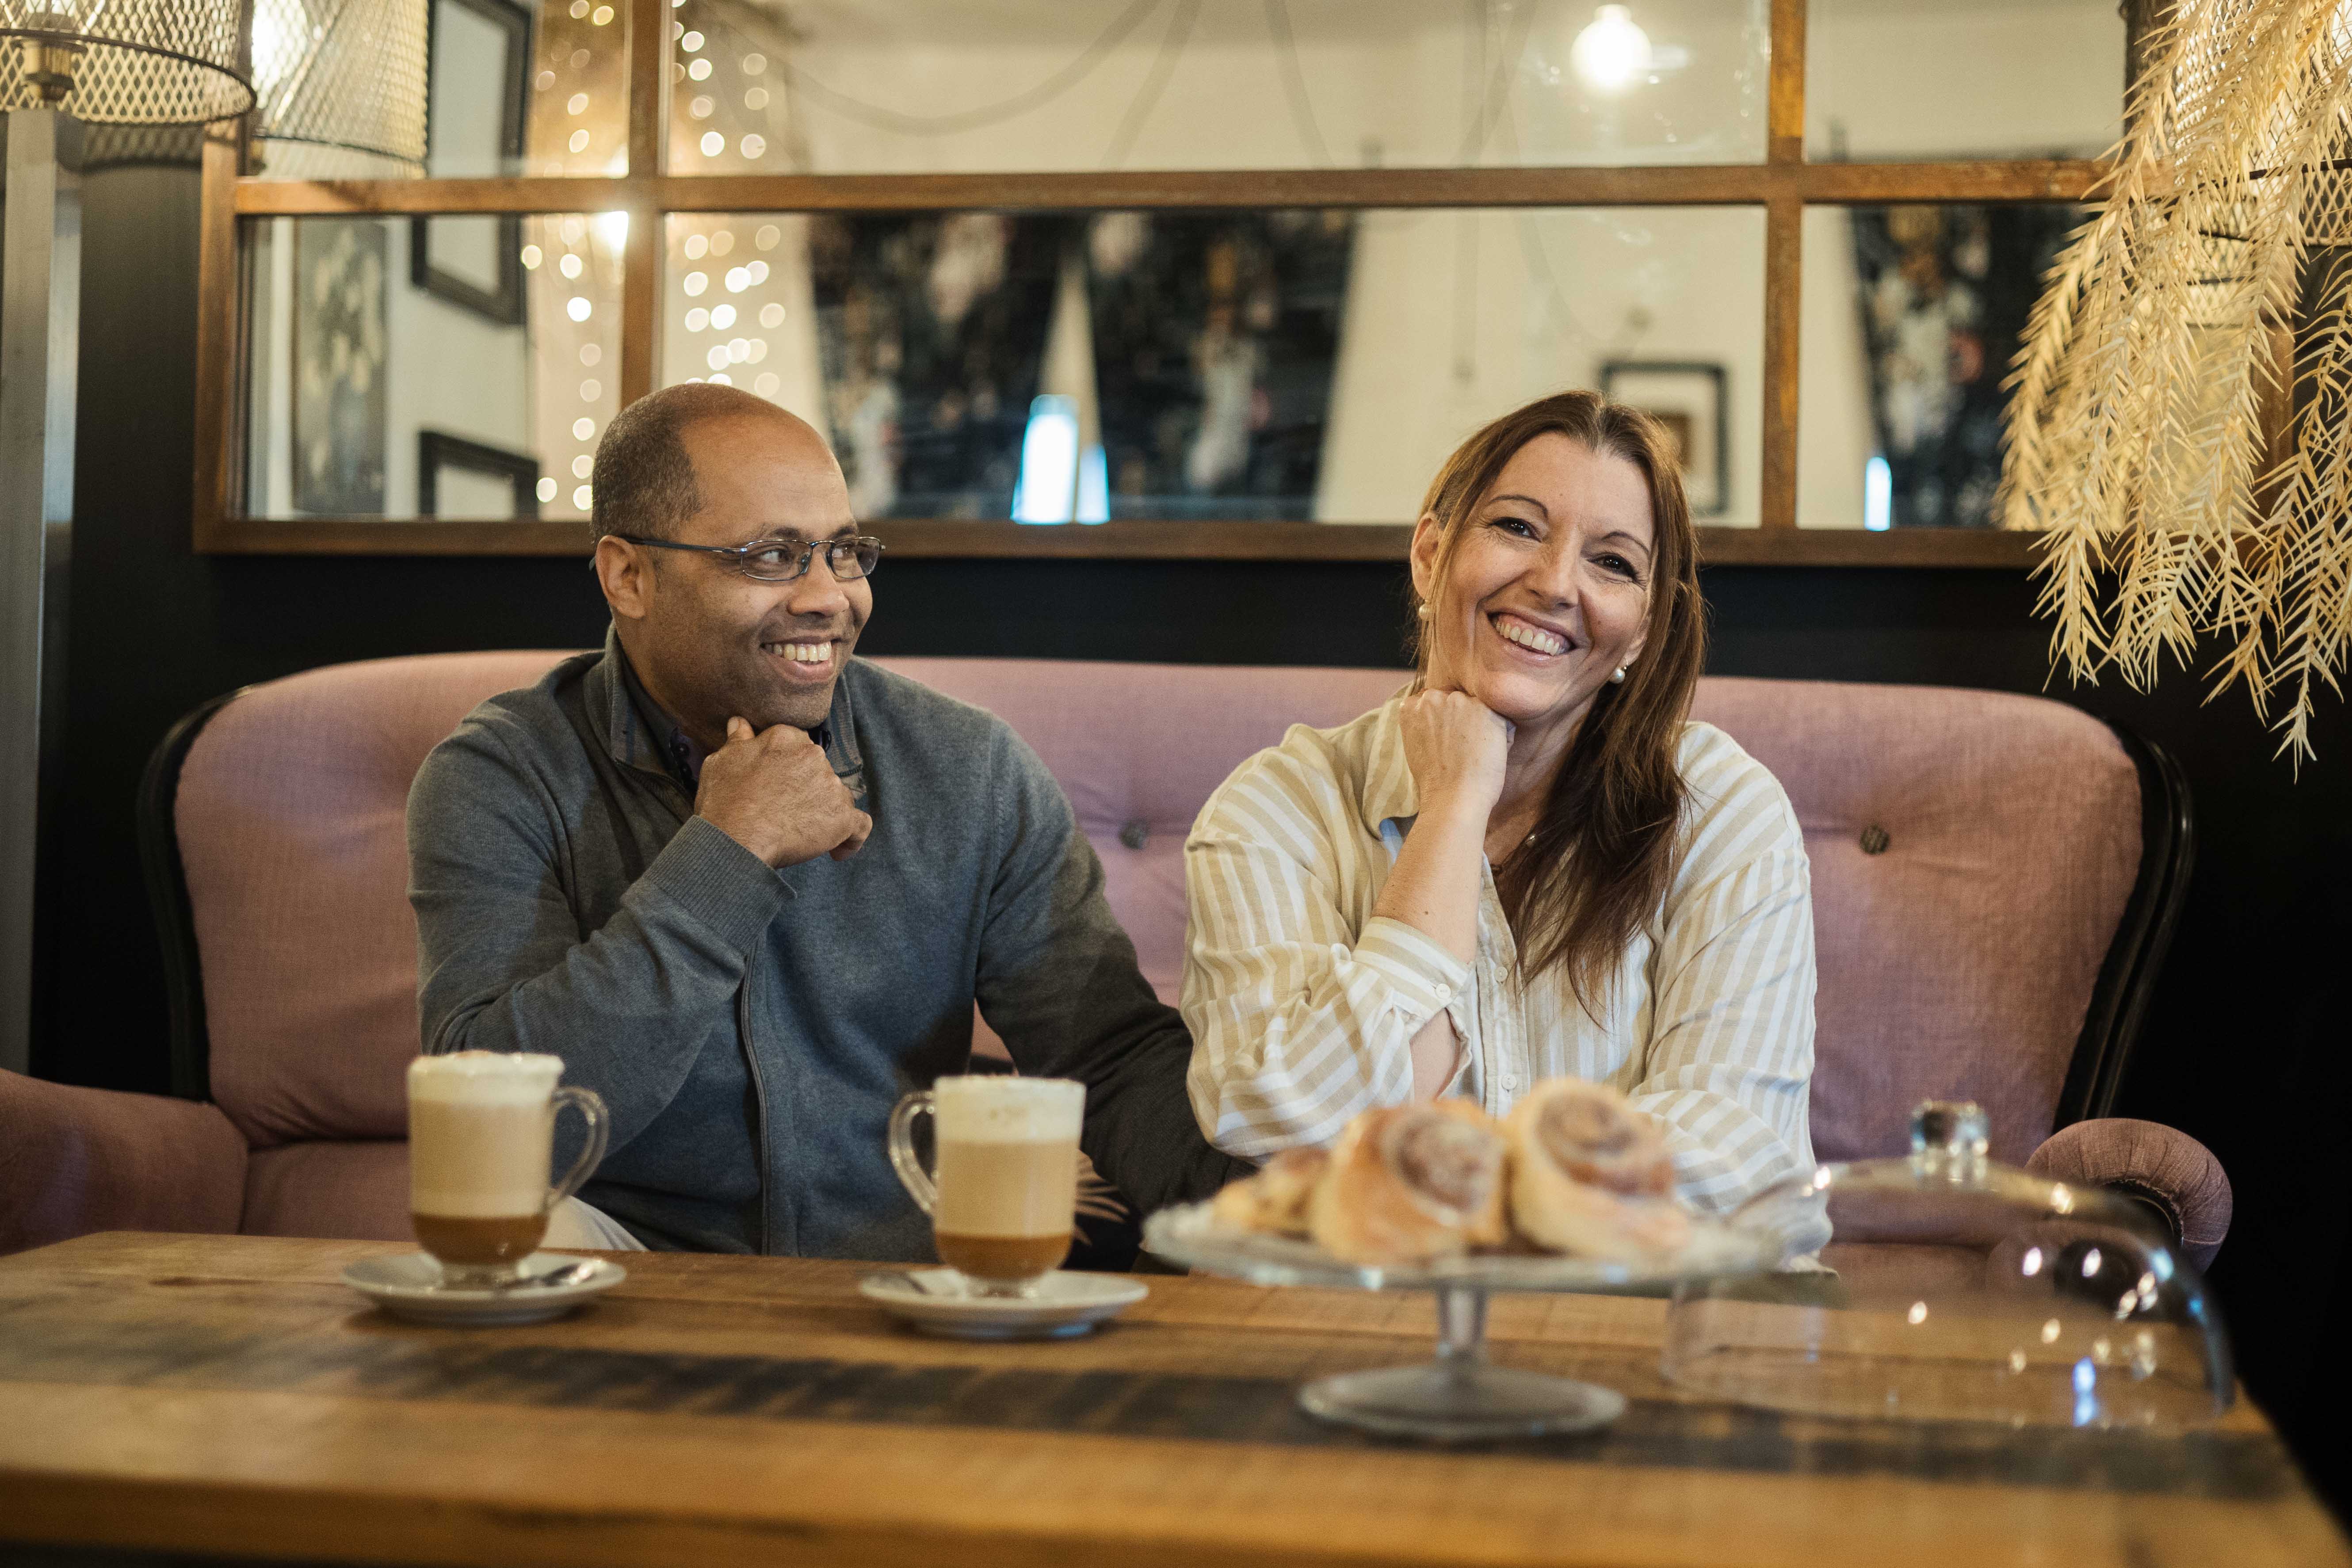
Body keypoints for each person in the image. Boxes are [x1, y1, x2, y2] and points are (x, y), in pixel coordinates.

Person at [408, 382, 1240, 1257]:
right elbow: (498, 1122)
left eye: (843, 553)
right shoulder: (503, 773)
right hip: (627, 1268)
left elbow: (1107, 1060)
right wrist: (727, 854)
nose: (828, 598)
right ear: (629, 575)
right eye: (771, 557)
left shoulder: (968, 769)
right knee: (528, 1234)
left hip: (898, 1275)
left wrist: (1277, 1208)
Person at [1181, 390, 1817, 1221]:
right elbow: (1274, 1117)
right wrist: (1453, 807)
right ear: (1429, 554)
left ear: (1641, 628)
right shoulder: (1276, 812)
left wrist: (1465, 1199)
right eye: (1518, 527)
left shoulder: (1721, 811)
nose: (1555, 583)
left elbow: (1735, 1148)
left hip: (1666, 1318)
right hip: (1383, 1321)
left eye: (1613, 563)